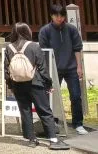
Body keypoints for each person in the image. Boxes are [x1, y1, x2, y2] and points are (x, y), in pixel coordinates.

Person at [6, 22, 70, 150]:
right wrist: (48, 84)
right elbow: (42, 68)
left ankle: (31, 139)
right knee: (45, 111)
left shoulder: (9, 48)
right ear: (27, 32)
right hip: (35, 83)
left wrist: (11, 86)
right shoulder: (34, 46)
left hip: (18, 84)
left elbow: (6, 70)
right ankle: (53, 139)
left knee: (25, 111)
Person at [39, 4, 87, 135]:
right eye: (56, 15)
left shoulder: (71, 29)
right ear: (51, 16)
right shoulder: (45, 31)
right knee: (52, 97)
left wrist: (79, 67)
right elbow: (44, 52)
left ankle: (78, 123)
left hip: (71, 68)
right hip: (53, 68)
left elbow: (77, 49)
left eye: (61, 15)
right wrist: (46, 71)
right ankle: (53, 121)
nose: (59, 18)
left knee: (76, 96)